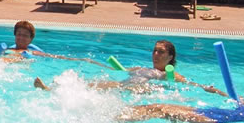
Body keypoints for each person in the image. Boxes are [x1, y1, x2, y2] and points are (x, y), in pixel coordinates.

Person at [34, 40, 222, 94]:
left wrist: (207, 89)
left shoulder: (170, 75)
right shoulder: (142, 68)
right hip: (124, 86)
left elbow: (190, 84)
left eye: (161, 52)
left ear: (170, 57)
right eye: (154, 51)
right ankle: (51, 89)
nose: (155, 55)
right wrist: (91, 62)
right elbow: (119, 72)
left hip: (138, 92)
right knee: (92, 83)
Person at [118, 85, 244, 123]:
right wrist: (215, 91)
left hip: (214, 119)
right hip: (213, 110)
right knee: (158, 105)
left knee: (163, 111)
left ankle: (118, 120)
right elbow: (238, 99)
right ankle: (118, 114)